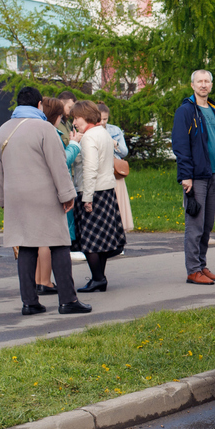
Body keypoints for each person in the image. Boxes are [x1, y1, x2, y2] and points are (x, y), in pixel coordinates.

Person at [0, 86, 90, 315]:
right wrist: (67, 195)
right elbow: (57, 166)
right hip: (43, 195)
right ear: (39, 105)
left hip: (16, 196)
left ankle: (29, 302)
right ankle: (67, 300)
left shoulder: (3, 129)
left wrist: (0, 198)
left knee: (26, 246)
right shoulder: (44, 128)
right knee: (59, 245)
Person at [172, 69, 215, 286]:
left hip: (213, 174)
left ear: (211, 85)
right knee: (194, 224)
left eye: (207, 81)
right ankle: (193, 270)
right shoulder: (185, 111)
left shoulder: (214, 110)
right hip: (195, 177)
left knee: (207, 224)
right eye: (199, 81)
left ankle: (202, 265)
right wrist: (186, 176)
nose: (203, 85)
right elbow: (180, 145)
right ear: (192, 85)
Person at [72, 100, 126, 292]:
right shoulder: (103, 133)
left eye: (76, 118)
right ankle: (99, 278)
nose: (74, 122)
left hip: (93, 192)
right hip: (107, 190)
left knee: (90, 240)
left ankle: (97, 278)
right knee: (101, 239)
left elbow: (90, 168)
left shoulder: (88, 137)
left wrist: (87, 197)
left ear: (85, 117)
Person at [33, 97, 81, 295]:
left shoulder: (35, 131)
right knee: (48, 238)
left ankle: (38, 280)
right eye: (61, 114)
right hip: (51, 190)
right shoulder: (51, 133)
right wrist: (75, 145)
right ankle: (45, 281)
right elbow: (62, 162)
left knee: (37, 238)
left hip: (35, 190)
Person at [97, 102, 133, 234]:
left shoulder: (115, 130)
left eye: (105, 119)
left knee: (119, 207)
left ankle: (119, 238)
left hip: (115, 173)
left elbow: (124, 152)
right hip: (100, 173)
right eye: (99, 119)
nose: (101, 122)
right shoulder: (90, 130)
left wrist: (114, 143)